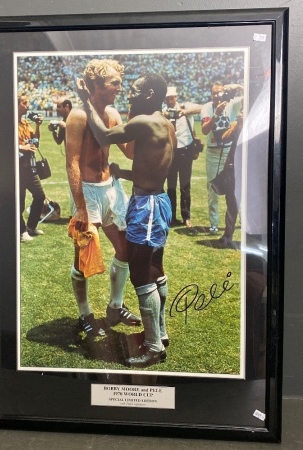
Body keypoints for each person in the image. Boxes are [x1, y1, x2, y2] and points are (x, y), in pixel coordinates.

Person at [76, 72, 176, 368]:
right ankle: (161, 333)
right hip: (157, 201)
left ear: (148, 95)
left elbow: (104, 135)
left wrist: (84, 99)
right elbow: (157, 168)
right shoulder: (165, 123)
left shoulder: (144, 122)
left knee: (140, 272)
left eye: (133, 90)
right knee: (155, 267)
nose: (128, 94)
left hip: (147, 206)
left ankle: (154, 348)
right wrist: (127, 174)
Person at [65, 59, 141, 338]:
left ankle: (115, 307)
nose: (119, 88)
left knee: (125, 251)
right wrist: (81, 207)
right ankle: (86, 314)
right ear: (95, 85)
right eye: (114, 83)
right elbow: (72, 163)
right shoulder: (78, 116)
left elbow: (130, 152)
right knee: (84, 258)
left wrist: (135, 115)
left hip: (111, 189)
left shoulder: (113, 113)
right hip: (88, 193)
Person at [201, 81, 243, 247]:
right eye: (214, 93)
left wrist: (238, 87)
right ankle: (214, 223)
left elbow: (250, 96)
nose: (217, 95)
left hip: (229, 151)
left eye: (220, 92)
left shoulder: (232, 104)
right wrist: (216, 115)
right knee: (212, 189)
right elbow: (204, 130)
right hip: (213, 151)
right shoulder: (207, 107)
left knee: (232, 190)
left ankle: (232, 225)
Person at [163, 86, 202, 228]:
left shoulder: (185, 107)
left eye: (172, 98)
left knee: (185, 185)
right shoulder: (163, 111)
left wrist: (184, 112)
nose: (170, 101)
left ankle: (186, 217)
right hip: (172, 152)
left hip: (185, 151)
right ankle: (171, 217)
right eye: (167, 98)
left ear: (176, 97)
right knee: (171, 186)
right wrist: (164, 116)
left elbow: (201, 108)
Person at [18, 93, 46, 242]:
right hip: (17, 168)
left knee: (40, 196)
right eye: (24, 103)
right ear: (15, 105)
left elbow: (35, 140)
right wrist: (22, 147)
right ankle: (22, 232)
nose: (27, 105)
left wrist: (38, 126)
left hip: (29, 167)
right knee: (19, 202)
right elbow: (5, 144)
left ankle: (31, 227)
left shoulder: (24, 122)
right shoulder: (9, 123)